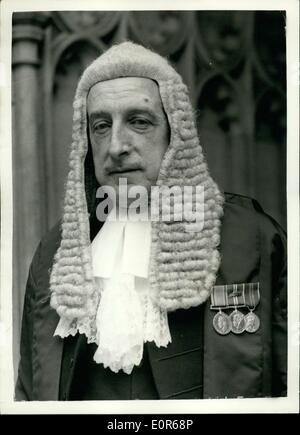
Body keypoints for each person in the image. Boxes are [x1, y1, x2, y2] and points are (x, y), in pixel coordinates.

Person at [15, 42, 287, 401]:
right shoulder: (54, 255)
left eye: (138, 121)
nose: (115, 146)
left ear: (176, 132)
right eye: (100, 125)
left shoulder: (251, 240)